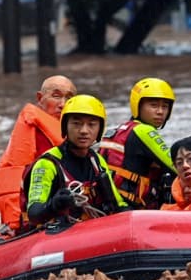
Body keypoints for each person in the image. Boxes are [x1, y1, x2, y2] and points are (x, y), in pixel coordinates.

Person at [0, 75, 77, 233]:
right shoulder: (33, 130)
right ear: (40, 98)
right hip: (37, 211)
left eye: (69, 98)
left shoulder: (79, 132)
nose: (63, 104)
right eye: (56, 96)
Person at [25, 94, 128, 226]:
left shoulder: (97, 160)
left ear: (100, 129)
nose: (84, 131)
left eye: (91, 124)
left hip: (93, 229)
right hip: (58, 232)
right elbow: (34, 214)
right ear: (65, 127)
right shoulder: (47, 164)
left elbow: (118, 204)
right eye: (76, 124)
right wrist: (54, 205)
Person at [98, 77, 177, 209]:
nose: (160, 112)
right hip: (132, 209)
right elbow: (176, 166)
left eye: (165, 106)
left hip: (110, 205)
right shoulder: (144, 131)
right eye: (154, 105)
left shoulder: (120, 130)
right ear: (138, 106)